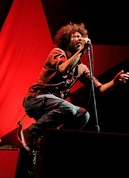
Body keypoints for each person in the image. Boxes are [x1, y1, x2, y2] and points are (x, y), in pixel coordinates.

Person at [19, 22, 129, 152]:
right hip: (36, 99)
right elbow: (62, 68)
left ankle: (57, 142)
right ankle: (29, 133)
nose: (79, 39)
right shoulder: (58, 52)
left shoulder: (82, 68)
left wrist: (114, 83)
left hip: (55, 105)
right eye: (75, 36)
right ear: (66, 40)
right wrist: (81, 50)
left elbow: (99, 89)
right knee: (70, 109)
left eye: (80, 36)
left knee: (84, 115)